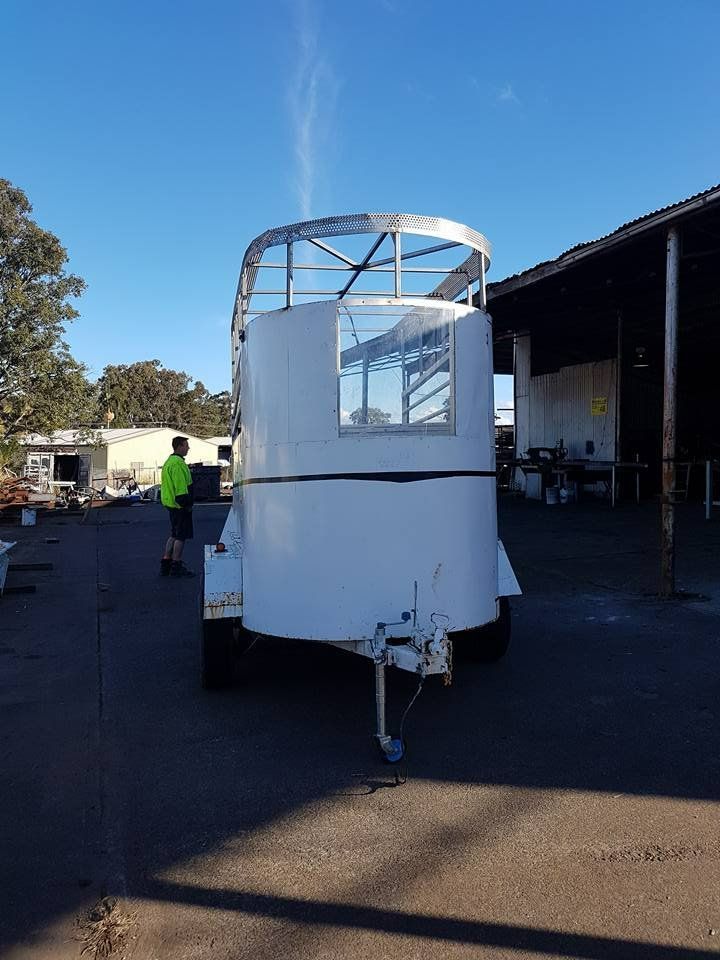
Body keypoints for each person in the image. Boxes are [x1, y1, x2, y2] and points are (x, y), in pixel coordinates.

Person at [160, 436, 195, 577]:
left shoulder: (169, 462)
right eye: (186, 445)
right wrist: (186, 505)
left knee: (174, 534)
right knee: (181, 536)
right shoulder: (178, 464)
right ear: (179, 446)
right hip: (180, 505)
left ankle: (166, 563)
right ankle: (176, 565)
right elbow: (181, 488)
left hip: (170, 504)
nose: (188, 448)